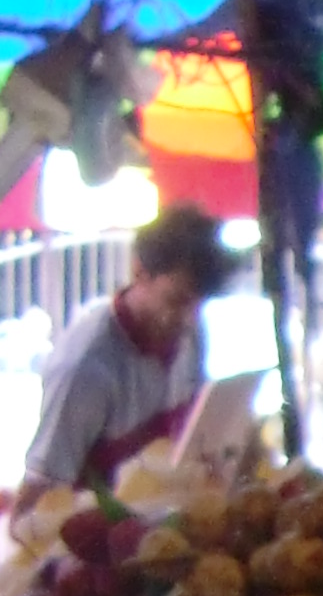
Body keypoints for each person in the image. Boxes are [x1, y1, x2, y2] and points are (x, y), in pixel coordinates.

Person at [10, 204, 236, 528]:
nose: (189, 319)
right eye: (176, 300)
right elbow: (33, 506)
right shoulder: (86, 366)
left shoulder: (189, 331)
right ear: (139, 272)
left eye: (199, 304)